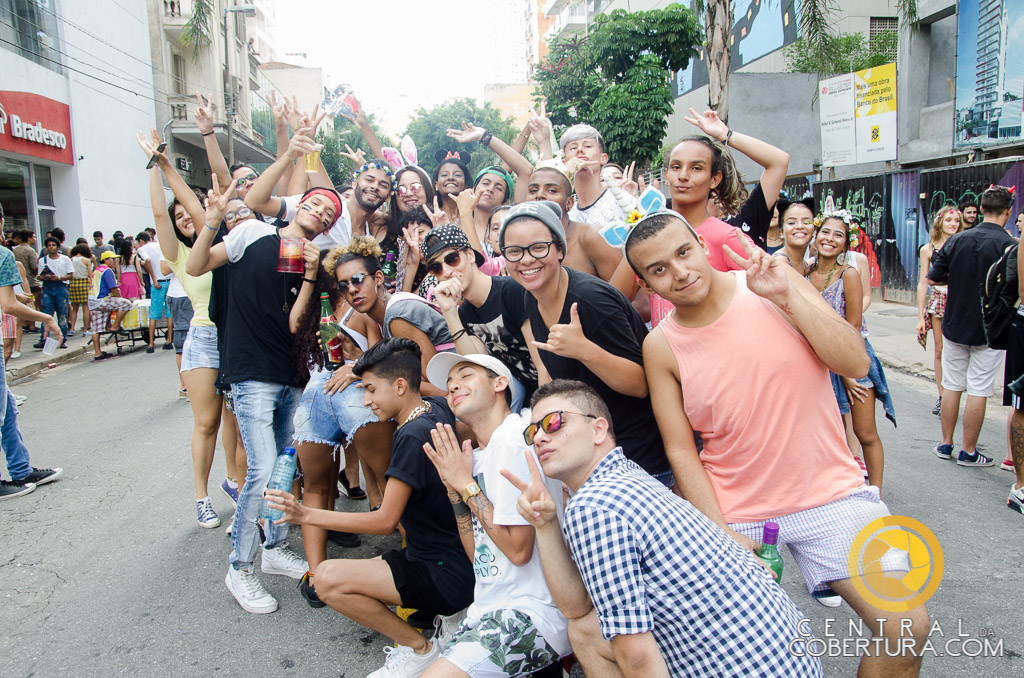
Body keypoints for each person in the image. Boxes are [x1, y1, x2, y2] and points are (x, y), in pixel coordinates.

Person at [626, 211, 929, 676]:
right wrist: (719, 532)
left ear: (703, 247)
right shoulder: (661, 346)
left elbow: (854, 361)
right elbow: (682, 449)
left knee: (906, 628)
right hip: (736, 508)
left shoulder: (770, 281)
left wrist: (788, 297)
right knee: (741, 657)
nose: (680, 272)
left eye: (683, 253)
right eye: (659, 269)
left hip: (832, 493)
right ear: (648, 287)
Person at [501, 379, 823, 677]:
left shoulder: (594, 506)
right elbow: (577, 607)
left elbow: (636, 655)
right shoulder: (626, 475)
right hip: (794, 658)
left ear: (599, 429)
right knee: (585, 630)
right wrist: (545, 524)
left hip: (749, 668)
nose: (540, 436)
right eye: (532, 433)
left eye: (553, 423)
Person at [265, 339, 475, 677]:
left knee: (327, 580)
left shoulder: (409, 437)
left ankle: (420, 648)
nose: (365, 401)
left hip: (443, 574)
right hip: (454, 560)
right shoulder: (435, 409)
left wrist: (304, 514)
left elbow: (385, 521)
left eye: (370, 390)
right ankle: (449, 619)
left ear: (401, 386)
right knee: (364, 569)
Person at [187, 163, 341, 613]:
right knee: (262, 469)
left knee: (281, 470)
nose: (319, 211)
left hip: (288, 372)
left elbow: (294, 324)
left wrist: (312, 276)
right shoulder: (253, 232)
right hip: (250, 369)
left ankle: (273, 549)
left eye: (329, 214)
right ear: (298, 205)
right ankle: (240, 568)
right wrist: (213, 218)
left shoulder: (304, 257)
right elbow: (197, 265)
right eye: (314, 203)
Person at [420, 353, 570, 676]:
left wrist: (465, 485)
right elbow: (481, 559)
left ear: (500, 383)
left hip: (530, 613)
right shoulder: (476, 456)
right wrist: (455, 492)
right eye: (448, 384)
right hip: (490, 607)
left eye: (465, 375)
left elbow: (518, 550)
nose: (453, 386)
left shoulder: (512, 439)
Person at [499, 201, 671, 481]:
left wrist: (584, 350)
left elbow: (641, 385)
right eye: (515, 251)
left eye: (538, 247)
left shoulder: (591, 301)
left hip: (639, 460)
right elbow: (547, 370)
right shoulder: (531, 297)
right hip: (591, 454)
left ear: (559, 249)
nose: (526, 260)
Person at [928, 185, 1018, 467]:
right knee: (979, 388)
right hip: (992, 327)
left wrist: (957, 284)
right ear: (1008, 211)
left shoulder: (957, 240)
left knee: (952, 384)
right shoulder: (1011, 245)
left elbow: (934, 277)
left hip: (955, 320)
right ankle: (968, 451)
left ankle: (945, 444)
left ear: (980, 210)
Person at [807, 213, 895, 489]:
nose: (830, 239)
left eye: (838, 235)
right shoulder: (805, 273)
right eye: (826, 232)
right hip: (817, 362)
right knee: (823, 436)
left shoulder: (849, 275)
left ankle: (876, 493)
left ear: (847, 244)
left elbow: (854, 328)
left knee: (864, 431)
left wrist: (846, 373)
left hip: (851, 361)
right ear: (816, 234)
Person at [426, 224, 537, 411]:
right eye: (436, 268)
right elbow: (475, 361)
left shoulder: (511, 291)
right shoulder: (464, 313)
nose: (446, 272)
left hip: (552, 382)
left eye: (452, 259)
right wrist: (450, 312)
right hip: (519, 390)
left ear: (470, 255)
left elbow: (544, 360)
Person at [0, 242, 63, 499]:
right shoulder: (3, 255)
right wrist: (47, 318)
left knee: (7, 410)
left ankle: (21, 470)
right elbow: (8, 305)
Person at [523, 166, 623, 281]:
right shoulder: (524, 244)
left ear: (569, 203)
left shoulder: (591, 237)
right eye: (533, 191)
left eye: (552, 190)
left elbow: (632, 297)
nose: (539, 195)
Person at [916, 205, 961, 416]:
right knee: (940, 350)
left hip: (960, 300)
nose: (953, 224)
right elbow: (923, 283)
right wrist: (919, 316)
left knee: (960, 349)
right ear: (940, 222)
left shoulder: (963, 243)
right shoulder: (928, 249)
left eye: (956, 221)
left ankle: (956, 392)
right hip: (939, 300)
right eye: (949, 220)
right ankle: (942, 395)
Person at [559, 124, 635, 228]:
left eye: (587, 146)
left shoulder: (622, 201)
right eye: (573, 147)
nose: (579, 150)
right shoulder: (567, 215)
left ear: (603, 158)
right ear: (564, 163)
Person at [87, 251, 133, 361]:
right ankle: (115, 326)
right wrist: (120, 298)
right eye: (113, 259)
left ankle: (97, 353)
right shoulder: (107, 271)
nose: (115, 261)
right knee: (126, 303)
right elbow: (113, 288)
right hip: (102, 299)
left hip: (92, 300)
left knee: (96, 328)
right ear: (106, 260)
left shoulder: (97, 270)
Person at [35, 236, 72, 350]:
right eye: (49, 245)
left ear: (57, 247)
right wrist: (41, 277)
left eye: (53, 245)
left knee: (62, 314)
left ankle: (63, 338)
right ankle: (44, 338)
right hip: (47, 288)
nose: (51, 247)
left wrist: (59, 277)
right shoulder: (43, 261)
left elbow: (71, 275)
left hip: (61, 287)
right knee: (46, 315)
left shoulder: (65, 259)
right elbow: (39, 275)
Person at [773, 197, 816, 274]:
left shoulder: (804, 264)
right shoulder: (780, 262)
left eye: (806, 222)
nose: (800, 226)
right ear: (781, 232)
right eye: (791, 223)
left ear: (814, 230)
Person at [68, 243, 93, 337]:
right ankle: (85, 330)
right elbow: (90, 275)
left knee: (74, 308)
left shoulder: (71, 260)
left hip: (73, 283)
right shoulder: (86, 260)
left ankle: (72, 329)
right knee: (86, 308)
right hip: (84, 283)